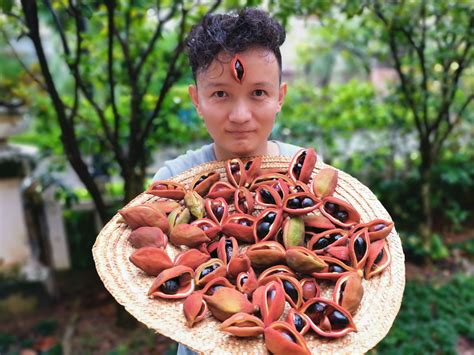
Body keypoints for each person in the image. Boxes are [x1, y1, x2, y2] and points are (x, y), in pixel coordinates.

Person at [152, 7, 304, 355]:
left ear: (280, 97)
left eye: (258, 93)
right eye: (221, 94)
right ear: (197, 101)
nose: (240, 116)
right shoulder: (171, 182)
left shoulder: (305, 171)